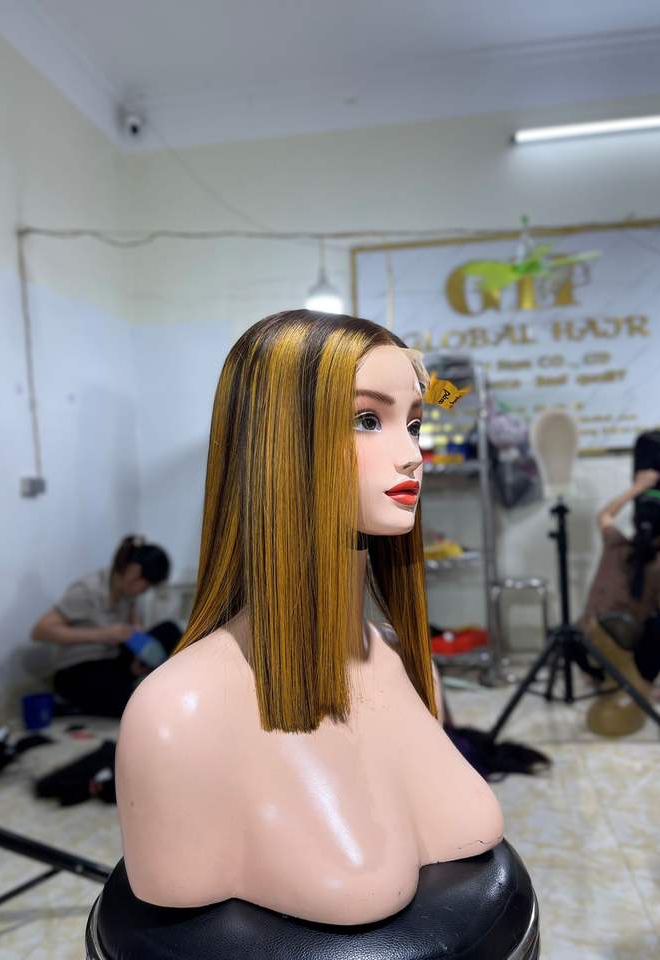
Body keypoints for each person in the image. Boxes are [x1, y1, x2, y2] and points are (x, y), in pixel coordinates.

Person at [114, 310, 505, 926]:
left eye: (414, 423)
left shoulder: (405, 664)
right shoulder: (177, 714)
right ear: (275, 443)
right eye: (367, 420)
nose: (412, 455)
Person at [580, 464, 660, 734]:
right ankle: (643, 687)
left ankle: (599, 678)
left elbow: (604, 514)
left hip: (583, 647)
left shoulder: (614, 544)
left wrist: (637, 488)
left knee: (619, 622)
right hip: (614, 651)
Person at [31, 535, 179, 718]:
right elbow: (40, 631)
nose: (144, 591)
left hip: (112, 658)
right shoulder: (87, 590)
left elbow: (135, 627)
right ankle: (73, 702)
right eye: (146, 586)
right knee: (131, 707)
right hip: (79, 668)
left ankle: (138, 683)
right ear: (134, 573)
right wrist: (104, 634)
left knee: (170, 630)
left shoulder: (128, 593)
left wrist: (139, 654)